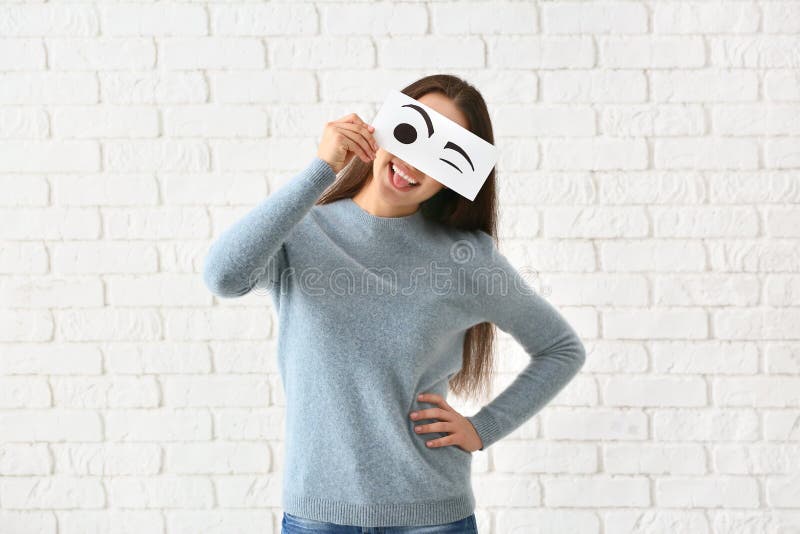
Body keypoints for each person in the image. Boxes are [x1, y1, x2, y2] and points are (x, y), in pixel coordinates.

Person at [202, 74, 586, 533]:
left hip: (430, 516)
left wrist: (483, 428)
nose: (414, 165)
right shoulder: (301, 233)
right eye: (410, 135)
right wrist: (322, 169)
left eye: (444, 155)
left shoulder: (466, 258)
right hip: (317, 514)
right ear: (384, 128)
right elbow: (223, 277)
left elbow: (561, 349)